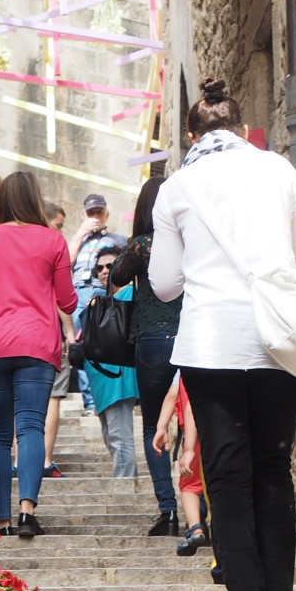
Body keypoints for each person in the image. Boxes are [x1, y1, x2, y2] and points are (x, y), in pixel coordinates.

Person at [149, 75, 296, 591]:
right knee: (274, 468)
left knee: (226, 473)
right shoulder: (279, 170)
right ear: (241, 125)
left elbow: (165, 285)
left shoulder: (177, 187)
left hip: (212, 343)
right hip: (278, 338)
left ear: (192, 131)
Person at [0, 168, 77, 539]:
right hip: (39, 345)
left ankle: (4, 519)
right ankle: (28, 511)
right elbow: (68, 300)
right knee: (29, 427)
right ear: (36, 200)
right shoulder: (53, 240)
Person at [112, 175, 183, 535]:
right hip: (193, 339)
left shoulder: (141, 245)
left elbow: (116, 276)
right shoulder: (190, 241)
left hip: (152, 341)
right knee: (194, 425)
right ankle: (200, 511)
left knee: (153, 424)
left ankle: (168, 511)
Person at [82, 250, 138, 479]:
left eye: (111, 265)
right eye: (100, 268)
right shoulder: (99, 300)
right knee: (111, 436)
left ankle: (124, 489)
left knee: (119, 437)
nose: (105, 271)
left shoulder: (130, 294)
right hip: (102, 382)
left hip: (118, 380)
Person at [68, 193, 114, 414]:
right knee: (81, 348)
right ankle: (90, 402)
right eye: (90, 213)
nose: (95, 216)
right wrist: (81, 233)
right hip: (78, 295)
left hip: (102, 294)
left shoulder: (116, 240)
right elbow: (65, 262)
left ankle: (103, 397)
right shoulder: (77, 239)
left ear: (106, 214)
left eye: (99, 212)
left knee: (103, 348)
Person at [154, 376, 210, 555]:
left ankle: (195, 528)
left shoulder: (186, 364)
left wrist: (161, 426)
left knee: (189, 485)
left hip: (194, 435)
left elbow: (173, 395)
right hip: (222, 430)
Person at [43, 201, 71, 478]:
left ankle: (19, 461)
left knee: (19, 400)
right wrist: (70, 333)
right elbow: (65, 298)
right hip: (48, 332)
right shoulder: (54, 245)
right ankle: (45, 460)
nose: (60, 232)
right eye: (59, 226)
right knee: (52, 398)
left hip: (11, 334)